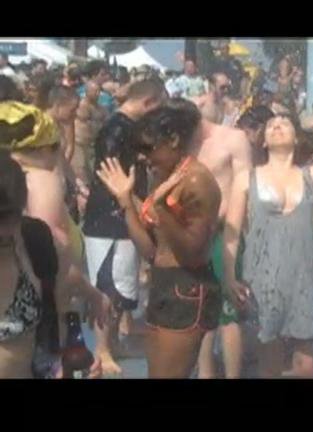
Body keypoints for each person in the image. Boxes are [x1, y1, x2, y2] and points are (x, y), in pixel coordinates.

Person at [96, 99, 222, 378]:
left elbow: (192, 252)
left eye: (148, 148)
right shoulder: (165, 177)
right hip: (163, 282)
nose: (143, 157)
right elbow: (151, 251)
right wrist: (126, 201)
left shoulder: (196, 182)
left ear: (173, 140)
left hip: (187, 288)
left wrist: (162, 210)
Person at [223, 114, 313, 378]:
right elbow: (232, 231)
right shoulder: (246, 179)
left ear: (296, 138)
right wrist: (229, 276)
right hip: (262, 278)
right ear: (263, 142)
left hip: (303, 279)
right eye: (271, 125)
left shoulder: (311, 175)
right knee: (270, 364)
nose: (277, 126)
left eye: (285, 123)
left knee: (307, 366)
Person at [0, 104, 111, 379]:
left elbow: (54, 267)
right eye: (54, 147)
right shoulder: (42, 182)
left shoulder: (29, 235)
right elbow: (59, 274)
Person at [82, 79, 166, 375]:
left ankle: (114, 342)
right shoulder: (116, 130)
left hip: (122, 216)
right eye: (158, 107)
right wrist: (140, 205)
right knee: (108, 284)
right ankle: (102, 348)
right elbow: (111, 176)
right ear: (148, 102)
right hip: (108, 219)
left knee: (123, 285)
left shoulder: (126, 127)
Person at [189, 95, 254, 379]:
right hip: (190, 234)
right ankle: (205, 373)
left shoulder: (233, 139)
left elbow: (243, 187)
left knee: (229, 310)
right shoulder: (180, 141)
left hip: (225, 231)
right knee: (200, 310)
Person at [72, 80, 107, 191]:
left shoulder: (101, 108)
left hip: (93, 144)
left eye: (98, 91)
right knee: (81, 170)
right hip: (79, 142)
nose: (97, 93)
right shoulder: (80, 105)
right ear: (87, 91)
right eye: (94, 91)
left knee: (92, 172)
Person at [46, 85, 80, 165]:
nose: (76, 114)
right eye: (72, 110)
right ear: (58, 106)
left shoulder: (60, 125)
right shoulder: (41, 126)